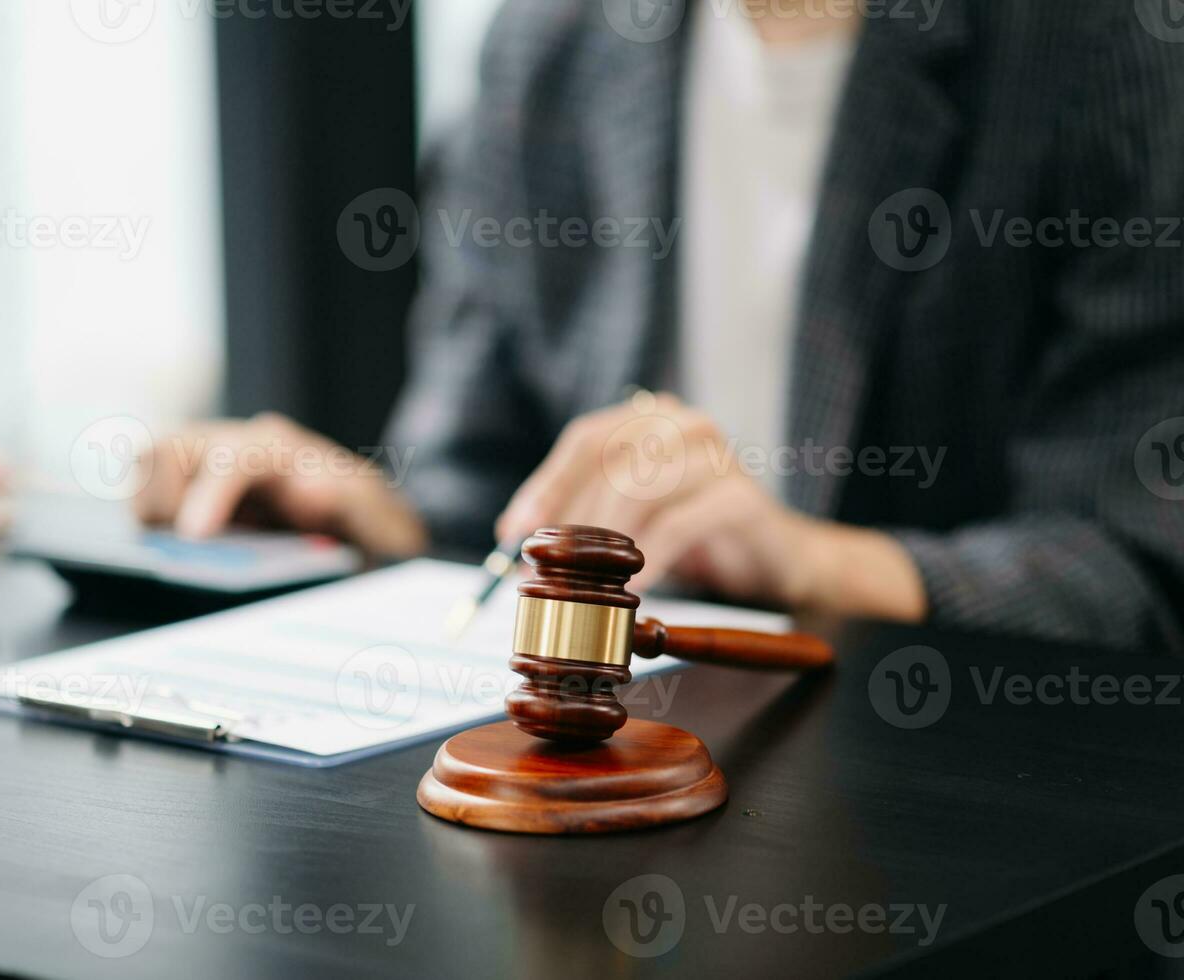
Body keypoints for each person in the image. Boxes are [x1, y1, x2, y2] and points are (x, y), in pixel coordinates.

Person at [137, 0, 1184, 652]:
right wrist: (369, 517)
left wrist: (800, 562)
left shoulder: (1104, 42)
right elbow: (476, 495)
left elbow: (1134, 571)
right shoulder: (549, 41)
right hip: (603, 773)